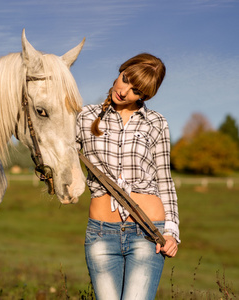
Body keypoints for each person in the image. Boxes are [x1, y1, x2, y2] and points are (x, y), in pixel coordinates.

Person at [76, 53, 180, 300]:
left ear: (144, 96)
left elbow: (164, 179)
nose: (124, 92)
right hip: (100, 233)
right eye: (125, 79)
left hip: (148, 231)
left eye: (136, 91)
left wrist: (171, 232)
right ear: (121, 70)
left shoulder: (156, 122)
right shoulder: (84, 117)